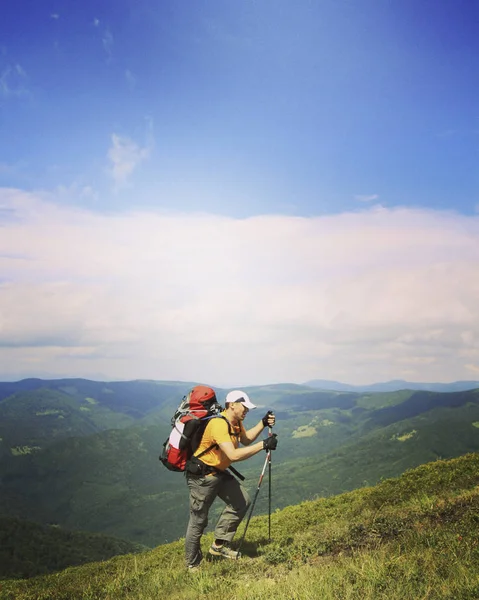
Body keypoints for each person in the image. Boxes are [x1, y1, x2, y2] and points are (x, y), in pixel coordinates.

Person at [184, 389, 277, 569]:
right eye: (244, 407)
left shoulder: (236, 422)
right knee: (198, 521)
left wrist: (263, 423)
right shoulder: (219, 424)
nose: (246, 410)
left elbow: (246, 439)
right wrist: (264, 444)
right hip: (202, 478)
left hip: (219, 472)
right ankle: (192, 565)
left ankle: (218, 546)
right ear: (231, 405)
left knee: (241, 501)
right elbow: (233, 455)